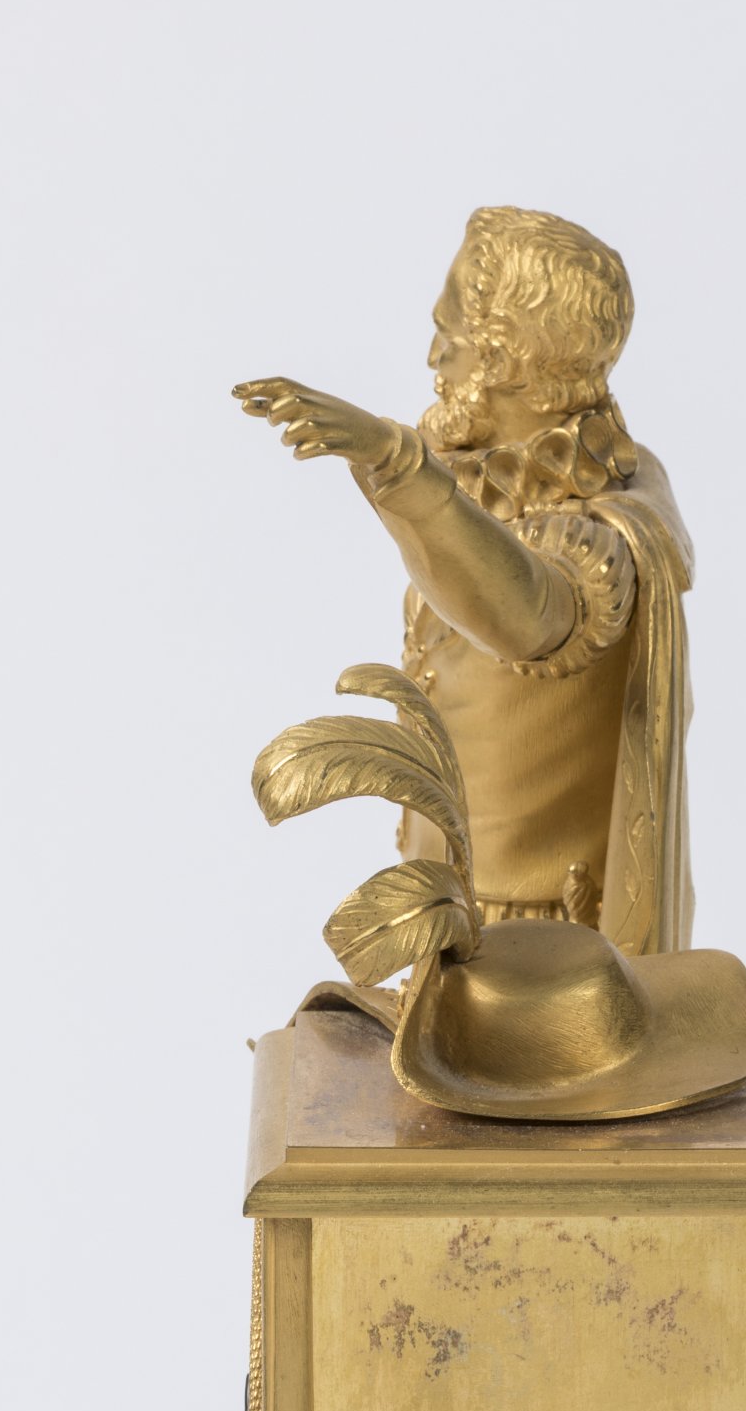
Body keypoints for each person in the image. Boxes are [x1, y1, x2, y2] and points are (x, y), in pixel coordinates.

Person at [235, 206, 695, 952]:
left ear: (507, 360)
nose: (431, 357)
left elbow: (528, 615)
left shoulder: (612, 523)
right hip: (447, 892)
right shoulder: (483, 482)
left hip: (541, 934)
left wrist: (396, 461)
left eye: (450, 337)